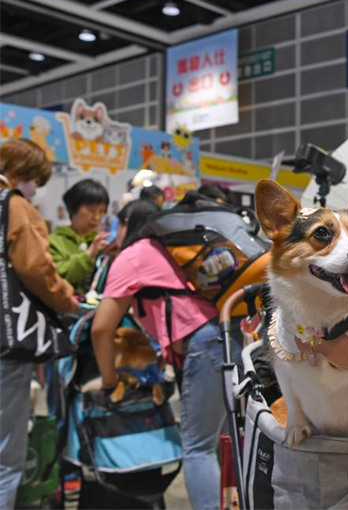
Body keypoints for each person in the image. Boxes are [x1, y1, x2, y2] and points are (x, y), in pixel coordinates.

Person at [90, 198, 240, 510]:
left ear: (129, 224)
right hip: (228, 337)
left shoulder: (132, 256)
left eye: (117, 224)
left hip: (204, 346)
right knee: (221, 443)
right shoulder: (164, 250)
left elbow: (101, 329)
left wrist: (108, 380)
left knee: (197, 447)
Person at [0, 139, 78, 507]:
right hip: (6, 342)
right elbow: (35, 268)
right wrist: (67, 300)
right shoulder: (13, 205)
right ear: (19, 172)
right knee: (4, 458)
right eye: (33, 180)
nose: (34, 189)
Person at [49, 179, 110, 294]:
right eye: (91, 210)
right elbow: (57, 276)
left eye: (101, 211)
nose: (96, 217)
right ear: (73, 208)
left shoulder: (100, 242)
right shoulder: (54, 241)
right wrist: (88, 255)